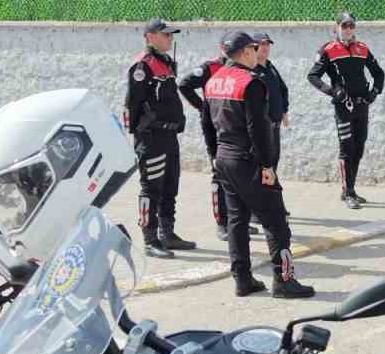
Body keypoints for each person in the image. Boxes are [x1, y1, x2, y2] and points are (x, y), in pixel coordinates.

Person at [206, 30, 314, 299]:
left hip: (224, 157)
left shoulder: (214, 81)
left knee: (237, 221)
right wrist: (267, 166)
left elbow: (207, 123)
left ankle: (243, 280)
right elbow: (258, 129)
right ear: (245, 52)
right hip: (248, 159)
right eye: (255, 48)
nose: (258, 52)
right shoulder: (250, 82)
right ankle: (284, 281)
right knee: (276, 221)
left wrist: (214, 155)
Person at [124, 18, 196, 259]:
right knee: (151, 188)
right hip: (151, 138)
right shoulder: (142, 66)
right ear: (150, 37)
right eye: (165, 34)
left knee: (170, 186)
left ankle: (168, 234)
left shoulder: (165, 62)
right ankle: (150, 240)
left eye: (171, 35)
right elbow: (132, 104)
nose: (170, 38)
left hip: (169, 135)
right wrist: (142, 134)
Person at [308, 11, 385, 209]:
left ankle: (350, 189)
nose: (348, 29)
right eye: (344, 25)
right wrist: (332, 91)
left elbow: (379, 73)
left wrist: (374, 92)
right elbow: (313, 76)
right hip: (343, 106)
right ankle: (348, 192)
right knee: (347, 148)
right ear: (337, 27)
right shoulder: (328, 49)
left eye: (351, 25)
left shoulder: (362, 48)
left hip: (362, 106)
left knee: (359, 147)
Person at [178, 48, 232, 240]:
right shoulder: (210, 67)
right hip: (214, 128)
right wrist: (203, 108)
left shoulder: (243, 67)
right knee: (220, 174)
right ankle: (222, 223)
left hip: (234, 126)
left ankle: (237, 220)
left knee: (239, 174)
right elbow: (184, 85)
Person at [254, 33, 292, 219]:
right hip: (261, 128)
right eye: (262, 44)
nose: (266, 48)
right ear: (253, 47)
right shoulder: (251, 70)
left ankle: (274, 205)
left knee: (272, 166)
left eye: (268, 44)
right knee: (261, 168)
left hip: (274, 126)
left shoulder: (270, 67)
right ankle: (257, 210)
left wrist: (284, 111)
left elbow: (282, 89)